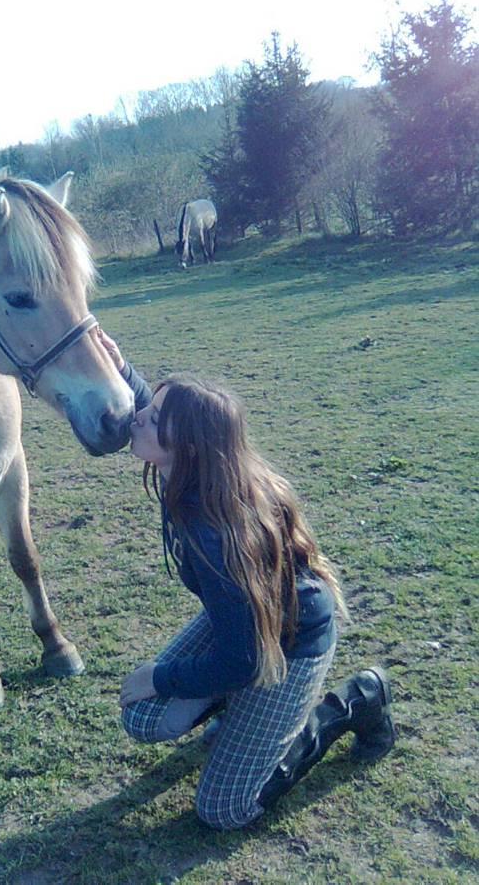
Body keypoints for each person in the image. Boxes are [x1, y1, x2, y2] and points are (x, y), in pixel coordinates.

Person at [97, 329, 395, 830]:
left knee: (224, 810)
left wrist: (159, 676)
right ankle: (244, 712)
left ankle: (355, 701)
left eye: (151, 418)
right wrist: (122, 371)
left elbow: (244, 659)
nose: (136, 417)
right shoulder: (203, 470)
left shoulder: (217, 535)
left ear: (186, 447)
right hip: (247, 624)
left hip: (288, 644)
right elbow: (164, 410)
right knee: (143, 718)